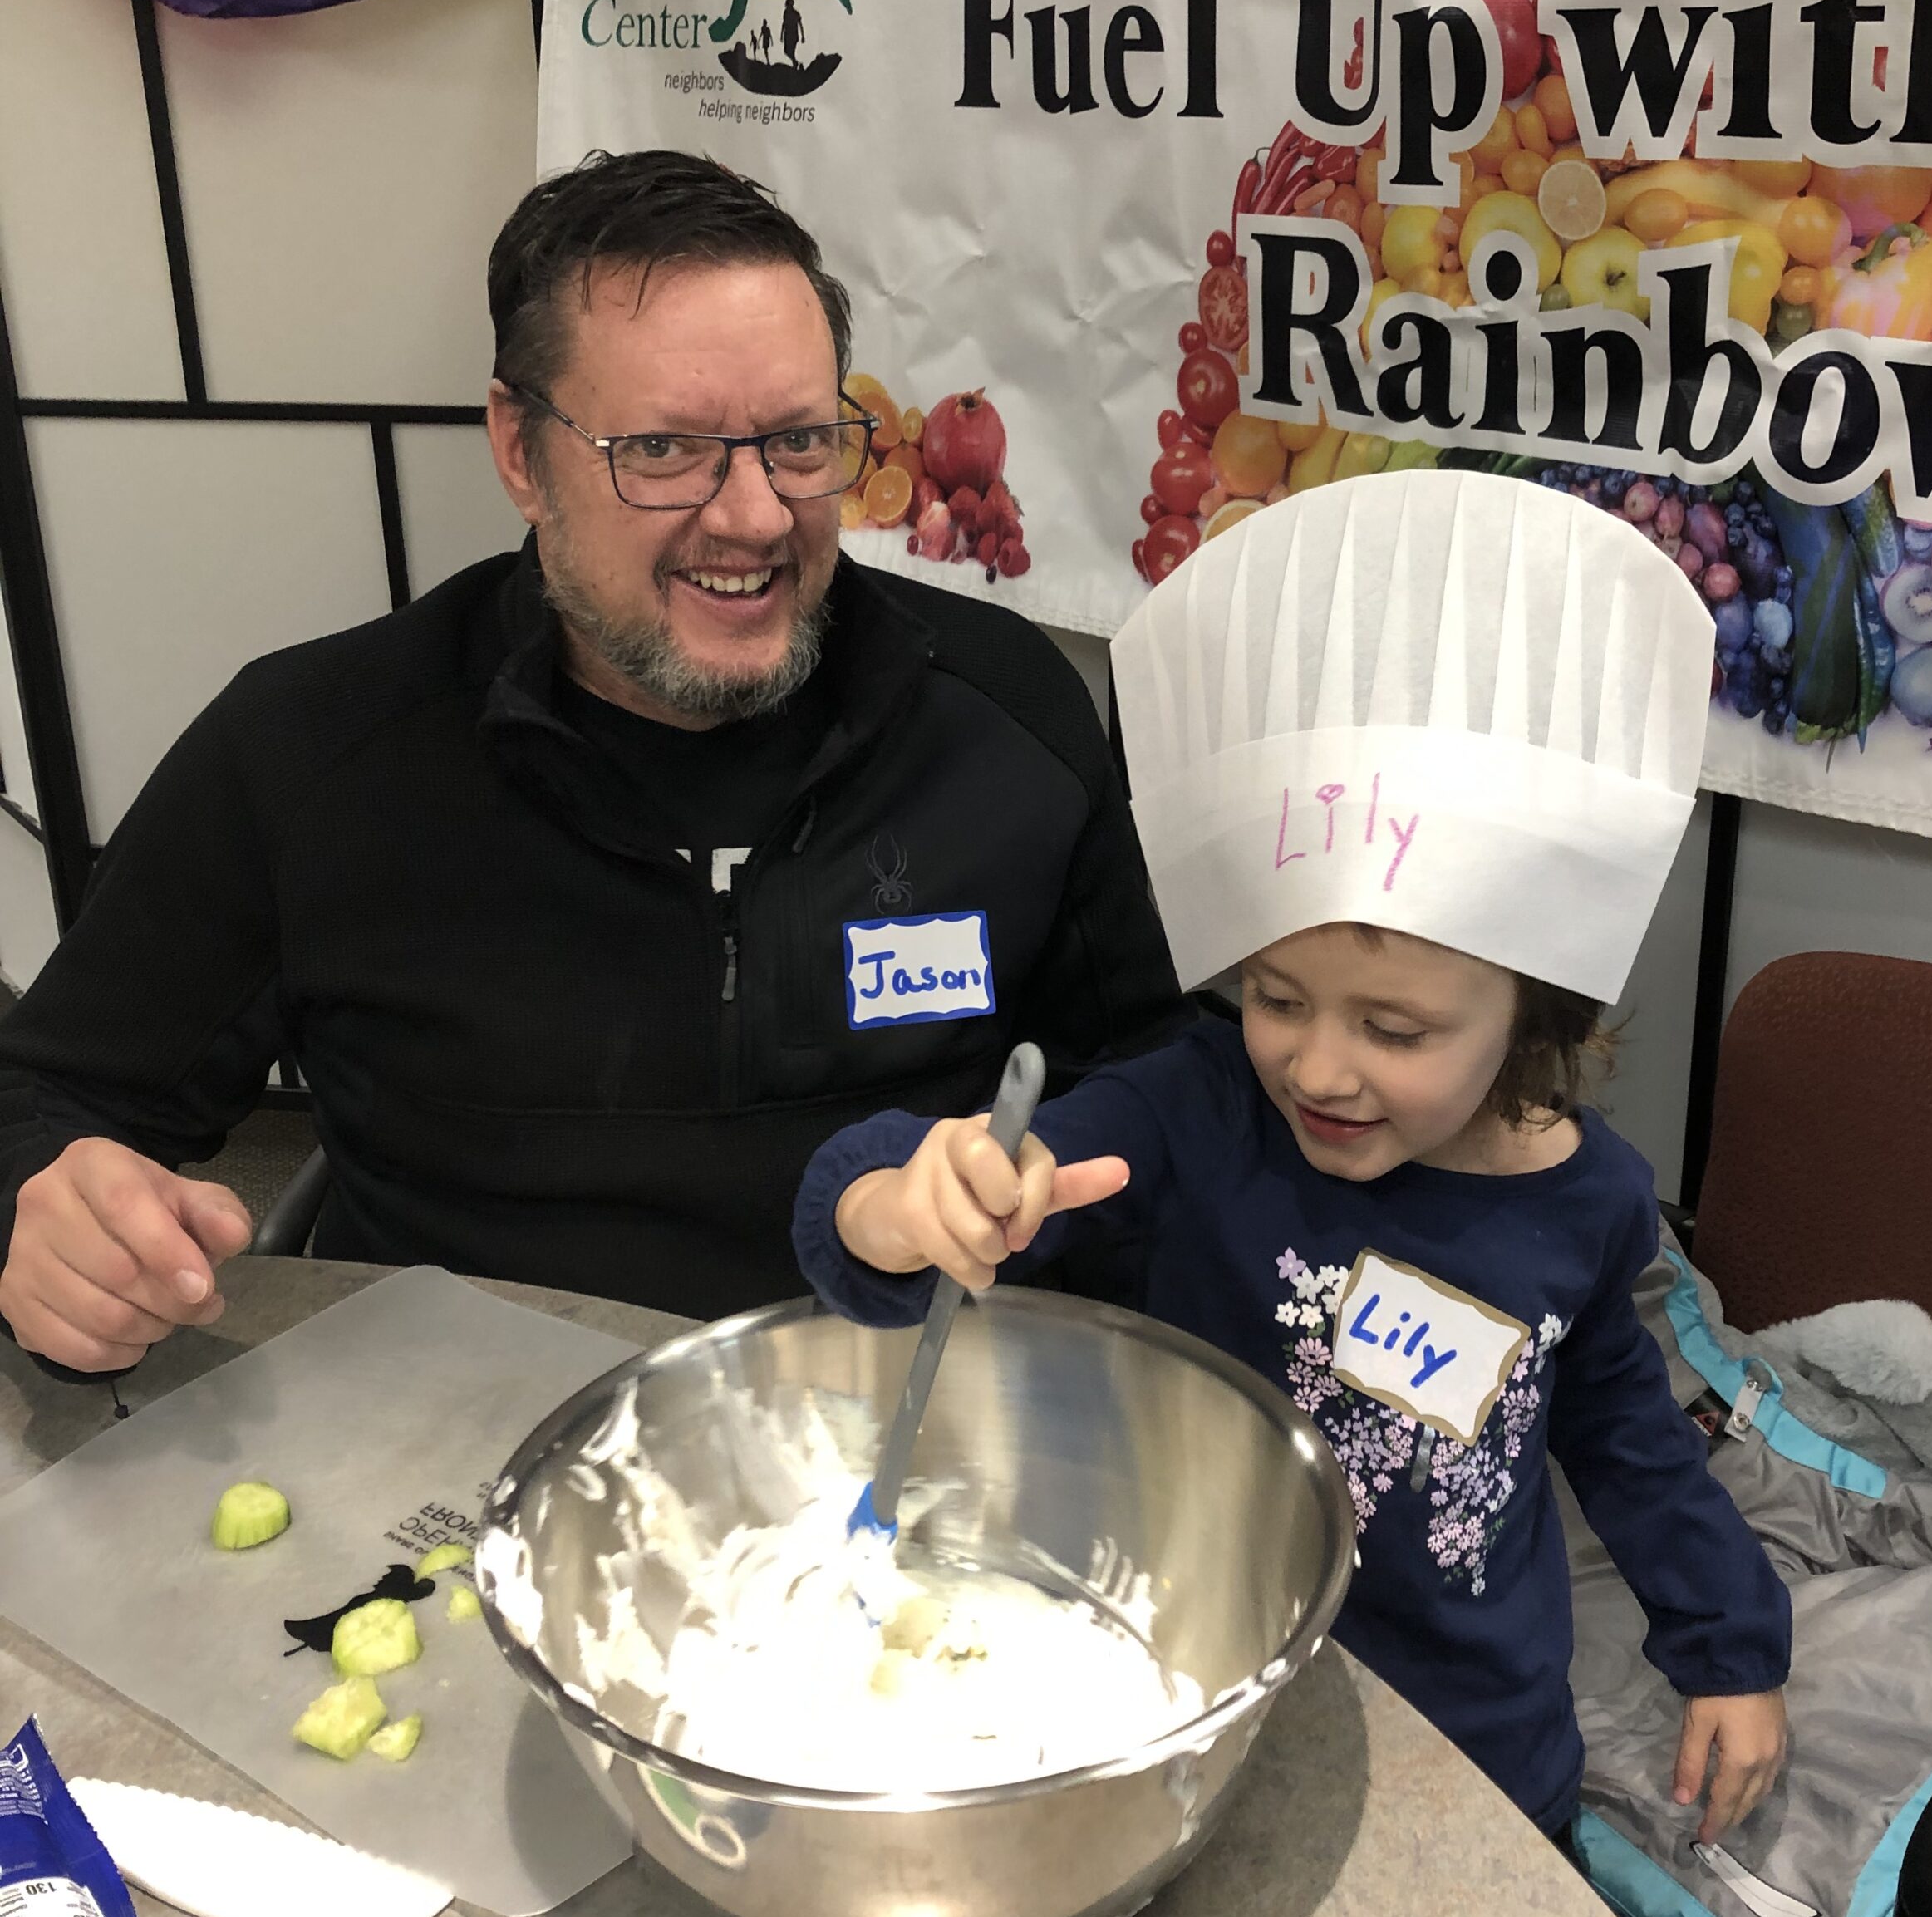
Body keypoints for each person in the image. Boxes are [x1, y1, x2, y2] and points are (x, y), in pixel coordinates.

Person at [0, 149, 1181, 1377]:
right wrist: (50, 1216)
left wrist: (1031, 1183)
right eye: (664, 450)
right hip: (459, 1462)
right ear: (521, 451)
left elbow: (1153, 1079)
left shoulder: (1003, 720)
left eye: (798, 440)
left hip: (908, 1436)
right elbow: (47, 1098)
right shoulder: (315, 754)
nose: (755, 517)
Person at [794, 471, 1792, 1856]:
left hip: (1478, 1740)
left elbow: (1625, 1434)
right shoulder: (1192, 1113)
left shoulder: (1589, 1202)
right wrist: (908, 1201)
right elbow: (918, 1190)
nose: (1319, 1068)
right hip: (1195, 1695)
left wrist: (1730, 1647)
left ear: (1533, 1016)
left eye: (1394, 1030)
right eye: (1275, 996)